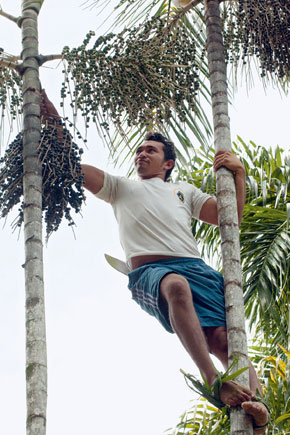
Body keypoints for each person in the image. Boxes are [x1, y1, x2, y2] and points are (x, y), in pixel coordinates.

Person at [40, 90, 269, 433]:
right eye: (139, 150)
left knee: (224, 339)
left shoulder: (184, 191)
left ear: (168, 163)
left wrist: (239, 174)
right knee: (175, 287)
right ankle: (212, 381)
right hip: (152, 272)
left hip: (198, 270)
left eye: (151, 150)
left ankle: (258, 407)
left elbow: (229, 220)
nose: (142, 153)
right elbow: (71, 166)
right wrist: (52, 117)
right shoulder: (119, 187)